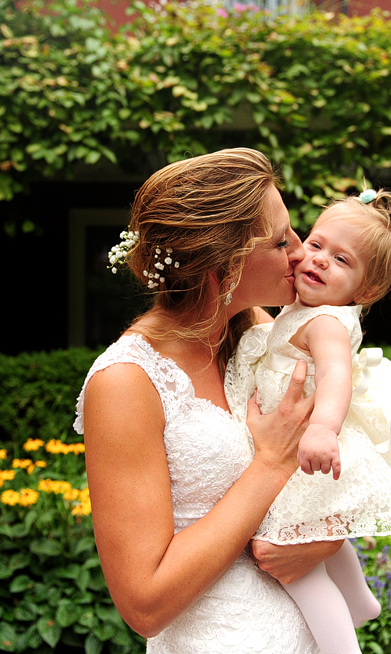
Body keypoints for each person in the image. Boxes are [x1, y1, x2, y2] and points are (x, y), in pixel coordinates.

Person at [74, 148, 341, 654]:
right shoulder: (126, 382)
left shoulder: (265, 336)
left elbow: (339, 472)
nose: (301, 251)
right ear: (223, 262)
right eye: (280, 240)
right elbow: (144, 605)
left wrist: (328, 538)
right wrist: (269, 465)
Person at [224, 189, 391, 654]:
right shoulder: (303, 310)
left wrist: (321, 428)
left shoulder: (324, 322)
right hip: (301, 448)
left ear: (366, 291)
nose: (318, 260)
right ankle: (361, 600)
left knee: (299, 564)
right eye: (317, 244)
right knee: (318, 528)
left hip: (305, 451)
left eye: (341, 260)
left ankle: (345, 647)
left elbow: (338, 374)